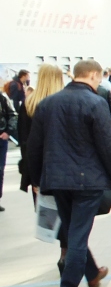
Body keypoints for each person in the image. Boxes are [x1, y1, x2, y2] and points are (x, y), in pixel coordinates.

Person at [23, 59, 111, 287]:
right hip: (87, 181)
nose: (99, 82)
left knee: (72, 231)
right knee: (78, 236)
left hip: (57, 180)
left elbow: (33, 146)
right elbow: (107, 146)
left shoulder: (48, 103)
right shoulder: (95, 103)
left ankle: (92, 274)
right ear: (92, 75)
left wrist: (36, 180)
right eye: (98, 77)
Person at [18, 64, 65, 204]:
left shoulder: (29, 104)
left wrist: (33, 177)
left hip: (39, 167)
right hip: (64, 167)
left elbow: (24, 140)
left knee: (45, 212)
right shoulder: (65, 103)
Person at [0, 82, 16, 212]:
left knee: (0, 170)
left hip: (1, 139)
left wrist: (8, 132)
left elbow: (13, 115)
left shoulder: (2, 98)